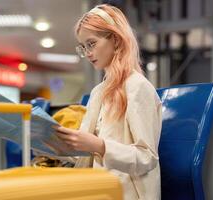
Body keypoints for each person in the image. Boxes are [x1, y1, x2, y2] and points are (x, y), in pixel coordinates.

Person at [54, 4, 162, 200]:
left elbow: (147, 158)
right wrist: (54, 146)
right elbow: (88, 156)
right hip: (100, 189)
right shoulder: (99, 92)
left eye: (91, 44)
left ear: (115, 39)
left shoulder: (137, 87)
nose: (87, 53)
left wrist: (99, 145)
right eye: (83, 47)